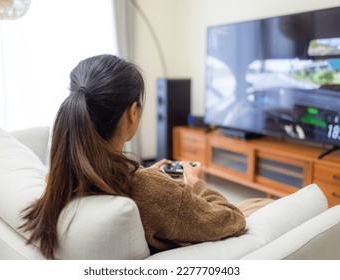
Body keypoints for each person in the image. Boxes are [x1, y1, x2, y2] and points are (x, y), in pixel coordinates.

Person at [20, 54, 247, 260]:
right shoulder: (152, 191)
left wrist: (147, 174)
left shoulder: (58, 178)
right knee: (257, 204)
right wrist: (196, 181)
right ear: (132, 112)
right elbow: (233, 220)